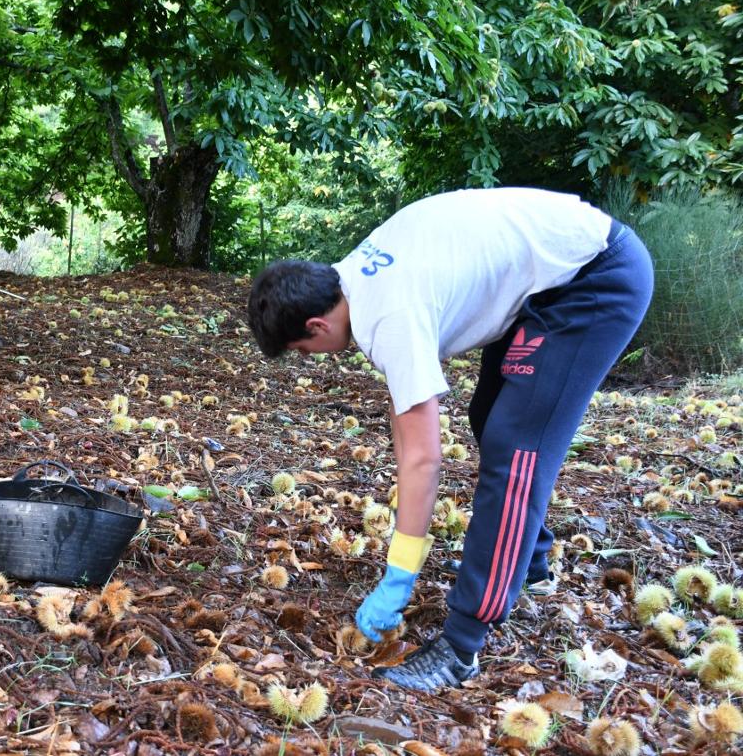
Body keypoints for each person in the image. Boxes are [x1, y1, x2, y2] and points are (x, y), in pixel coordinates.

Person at [246, 187, 653, 691]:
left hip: (595, 278)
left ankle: (462, 645)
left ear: (315, 324)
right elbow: (405, 412)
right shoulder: (353, 275)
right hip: (546, 280)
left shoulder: (388, 314)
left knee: (514, 445)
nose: (314, 358)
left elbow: (423, 458)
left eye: (303, 350)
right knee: (489, 414)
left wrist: (401, 570)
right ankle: (532, 563)